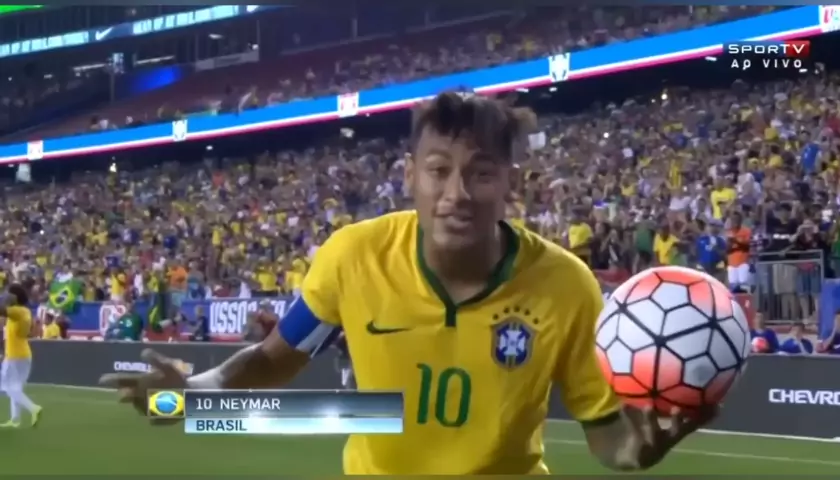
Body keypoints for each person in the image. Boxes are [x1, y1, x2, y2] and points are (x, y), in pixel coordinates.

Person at [99, 93, 715, 475]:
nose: (456, 194)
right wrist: (186, 396)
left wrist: (635, 451)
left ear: (511, 183)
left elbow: (605, 432)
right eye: (439, 171)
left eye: (481, 173)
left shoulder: (567, 286)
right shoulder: (353, 256)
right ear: (410, 177)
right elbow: (272, 360)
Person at [0, 284, 43, 428]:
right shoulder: (24, 311)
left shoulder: (17, 311)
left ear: (15, 296)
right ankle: (15, 419)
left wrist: (4, 299)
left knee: (7, 386)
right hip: (22, 354)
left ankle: (33, 408)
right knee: (16, 387)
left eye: (8, 293)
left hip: (14, 355)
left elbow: (2, 309)